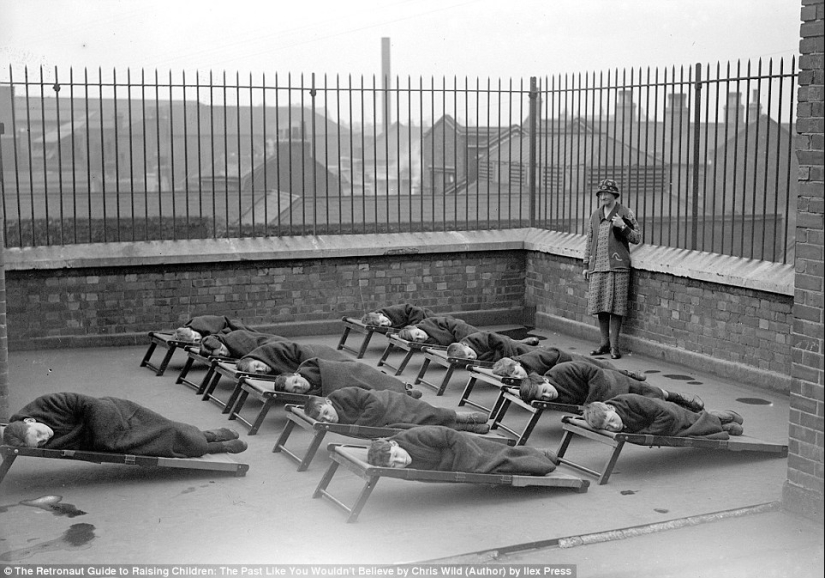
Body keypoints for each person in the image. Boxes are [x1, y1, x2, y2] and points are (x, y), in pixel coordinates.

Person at [2, 392, 247, 457]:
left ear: (31, 421)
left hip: (113, 413)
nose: (47, 438)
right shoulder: (28, 434)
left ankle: (210, 436)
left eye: (40, 433)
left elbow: (90, 404)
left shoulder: (48, 403)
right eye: (42, 443)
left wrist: (105, 438)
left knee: (167, 426)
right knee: (164, 438)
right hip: (106, 437)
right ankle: (215, 446)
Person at [582, 178, 642, 360]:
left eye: (606, 193)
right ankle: (604, 344)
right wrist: (586, 265)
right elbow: (589, 241)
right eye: (600, 194)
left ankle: (615, 347)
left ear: (614, 194)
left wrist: (622, 226)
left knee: (616, 306)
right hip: (598, 266)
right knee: (601, 306)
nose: (603, 197)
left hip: (618, 266)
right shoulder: (595, 215)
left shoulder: (625, 213)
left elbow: (636, 237)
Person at [366, 425, 558, 475]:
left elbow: (449, 435)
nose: (401, 462)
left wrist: (463, 463)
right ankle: (538, 457)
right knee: (498, 464)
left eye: (397, 456)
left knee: (498, 457)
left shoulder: (414, 437)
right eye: (395, 464)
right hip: (453, 459)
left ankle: (540, 455)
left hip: (461, 447)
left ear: (395, 445)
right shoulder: (403, 457)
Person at [518, 360, 704, 411]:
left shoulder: (562, 371)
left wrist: (589, 404)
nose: (547, 396)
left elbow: (595, 373)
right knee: (653, 403)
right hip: (611, 399)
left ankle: (682, 399)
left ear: (545, 380)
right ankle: (686, 411)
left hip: (613, 382)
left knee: (654, 392)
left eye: (544, 391)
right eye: (542, 397)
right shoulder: (556, 397)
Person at [303, 387, 490, 433]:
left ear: (328, 401)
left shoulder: (343, 395)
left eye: (326, 413)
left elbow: (373, 403)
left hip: (392, 403)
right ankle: (467, 428)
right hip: (387, 422)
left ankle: (466, 417)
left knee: (431, 413)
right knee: (423, 427)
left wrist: (361, 427)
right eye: (324, 420)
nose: (329, 419)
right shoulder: (336, 423)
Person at [583, 394, 744, 438]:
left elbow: (665, 415)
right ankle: (721, 424)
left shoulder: (630, 401)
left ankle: (721, 418)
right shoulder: (610, 414)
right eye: (607, 427)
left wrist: (645, 434)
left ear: (611, 408)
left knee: (693, 425)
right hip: (656, 424)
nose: (614, 426)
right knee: (694, 431)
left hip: (669, 414)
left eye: (611, 421)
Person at [271, 357, 424, 399]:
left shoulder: (313, 369)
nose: (300, 386)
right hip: (349, 388)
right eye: (296, 390)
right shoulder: (311, 395)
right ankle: (402, 393)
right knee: (364, 391)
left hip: (352, 371)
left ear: (297, 375)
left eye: (296, 382)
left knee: (368, 376)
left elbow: (338, 368)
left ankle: (401, 388)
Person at [492, 348, 646, 381]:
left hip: (571, 360)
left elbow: (556, 353)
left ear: (518, 363)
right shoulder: (525, 371)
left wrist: (562, 369)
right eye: (515, 377)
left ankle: (628, 374)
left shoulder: (535, 359)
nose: (520, 377)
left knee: (602, 368)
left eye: (517, 372)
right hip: (567, 370)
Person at [235, 339, 351, 374]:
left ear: (257, 359)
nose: (261, 369)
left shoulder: (274, 351)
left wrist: (312, 368)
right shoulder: (271, 366)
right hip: (310, 363)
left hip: (316, 354)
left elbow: (301, 351)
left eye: (257, 366)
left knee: (346, 367)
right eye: (257, 372)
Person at [445, 331, 540, 362]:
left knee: (519, 348)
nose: (472, 357)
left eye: (469, 353)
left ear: (465, 345)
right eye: (468, 358)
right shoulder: (466, 354)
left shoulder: (477, 339)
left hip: (503, 345)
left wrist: (509, 357)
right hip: (496, 352)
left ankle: (540, 350)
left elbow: (499, 341)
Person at [200, 329, 287, 358]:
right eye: (220, 354)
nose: (224, 353)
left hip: (277, 344)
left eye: (222, 349)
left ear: (221, 342)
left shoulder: (235, 340)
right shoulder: (229, 345)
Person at [171, 315, 252, 343]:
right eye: (195, 340)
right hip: (226, 331)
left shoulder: (198, 323)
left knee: (248, 334)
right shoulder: (185, 333)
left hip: (229, 325)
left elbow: (221, 321)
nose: (198, 337)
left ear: (192, 330)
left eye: (195, 335)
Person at [360, 303, 436, 328]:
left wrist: (414, 325)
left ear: (381, 314)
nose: (386, 324)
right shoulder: (382, 317)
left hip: (425, 315)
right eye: (382, 325)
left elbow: (416, 310)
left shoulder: (394, 311)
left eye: (383, 321)